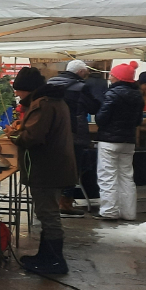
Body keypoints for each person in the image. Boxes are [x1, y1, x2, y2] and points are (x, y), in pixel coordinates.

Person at [7, 66, 77, 274]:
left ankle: (55, 261)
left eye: (18, 90)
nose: (17, 94)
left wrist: (13, 135)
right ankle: (46, 256)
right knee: (47, 213)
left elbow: (33, 137)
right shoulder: (52, 101)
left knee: (48, 214)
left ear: (28, 89)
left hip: (47, 168)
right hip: (54, 166)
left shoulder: (43, 104)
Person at [45, 59, 101, 216]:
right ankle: (66, 202)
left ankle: (51, 200)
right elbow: (94, 107)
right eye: (86, 73)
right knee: (72, 167)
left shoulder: (50, 84)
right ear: (81, 72)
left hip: (52, 132)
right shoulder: (81, 87)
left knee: (53, 167)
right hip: (74, 132)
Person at [95, 61, 144, 221]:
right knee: (126, 176)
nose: (110, 77)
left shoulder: (112, 94)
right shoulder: (138, 96)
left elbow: (101, 118)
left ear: (117, 78)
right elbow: (138, 121)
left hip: (109, 141)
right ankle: (128, 213)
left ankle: (109, 211)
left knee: (108, 176)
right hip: (128, 141)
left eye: (112, 75)